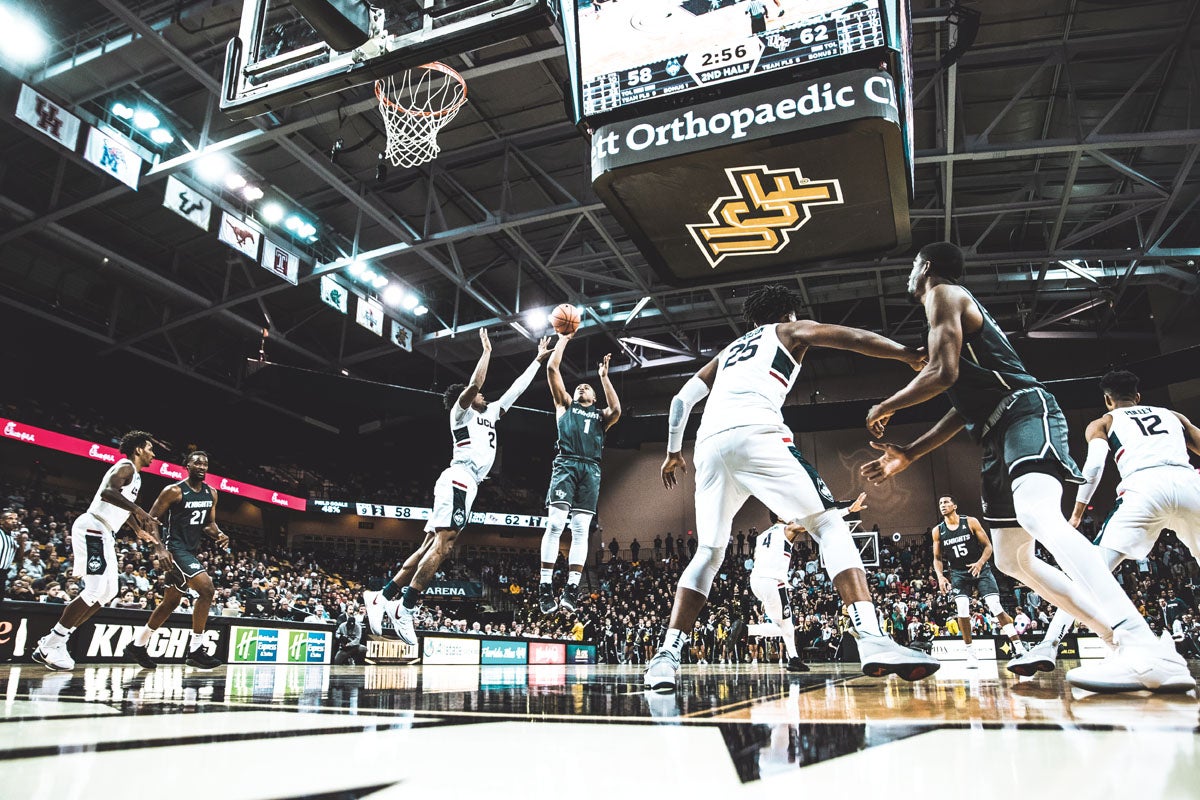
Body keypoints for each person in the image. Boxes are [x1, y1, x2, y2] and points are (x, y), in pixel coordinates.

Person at [860, 241, 1194, 693]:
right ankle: (1122, 642)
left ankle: (1141, 644)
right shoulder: (949, 315)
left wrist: (886, 403)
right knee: (1012, 558)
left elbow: (941, 372)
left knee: (1039, 515)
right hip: (997, 430)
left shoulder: (944, 293)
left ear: (927, 267)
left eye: (913, 264)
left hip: (1024, 411)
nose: (909, 271)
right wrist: (911, 453)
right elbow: (963, 408)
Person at [644, 284, 939, 691]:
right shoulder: (786, 331)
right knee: (830, 524)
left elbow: (680, 400)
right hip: (756, 434)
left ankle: (665, 657)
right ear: (789, 314)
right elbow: (850, 338)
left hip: (708, 447)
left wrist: (673, 451)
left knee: (709, 552)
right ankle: (871, 637)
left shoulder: (728, 352)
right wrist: (905, 354)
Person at [1010, 369, 1200, 675]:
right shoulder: (1173, 416)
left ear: (1108, 400)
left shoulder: (1105, 421)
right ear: (1138, 396)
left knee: (1089, 573)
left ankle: (1049, 644)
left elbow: (1094, 465)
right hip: (1189, 481)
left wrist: (1077, 512)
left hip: (1143, 488)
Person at [368, 330, 552, 644]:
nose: (485, 395)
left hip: (467, 484)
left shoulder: (490, 414)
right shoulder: (460, 412)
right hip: (459, 479)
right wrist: (486, 353)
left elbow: (515, 390)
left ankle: (383, 596)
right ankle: (406, 608)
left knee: (429, 547)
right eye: (479, 394)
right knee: (444, 546)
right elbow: (474, 386)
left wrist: (537, 359)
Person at [33, 431, 160, 670]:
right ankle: (53, 642)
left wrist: (136, 529)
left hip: (106, 532)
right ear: (138, 450)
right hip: (93, 527)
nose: (153, 454)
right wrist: (140, 512)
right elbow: (108, 493)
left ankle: (54, 641)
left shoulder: (137, 478)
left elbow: (120, 504)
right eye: (150, 448)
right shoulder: (125, 467)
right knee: (94, 590)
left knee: (107, 592)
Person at [538, 333, 622, 614]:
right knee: (555, 523)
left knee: (581, 529)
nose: (581, 388)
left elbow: (617, 410)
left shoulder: (601, 416)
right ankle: (545, 585)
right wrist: (563, 338)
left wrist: (604, 377)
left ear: (594, 396)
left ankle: (572, 588)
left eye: (587, 387)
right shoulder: (564, 405)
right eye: (579, 387)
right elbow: (552, 368)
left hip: (591, 469)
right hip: (566, 463)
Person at [126, 451, 228, 670]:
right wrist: (159, 549)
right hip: (174, 549)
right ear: (187, 466)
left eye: (205, 463)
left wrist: (219, 534)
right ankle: (195, 650)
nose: (202, 466)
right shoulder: (173, 491)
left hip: (190, 550)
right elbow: (151, 520)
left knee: (170, 603)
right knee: (207, 590)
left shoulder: (211, 493)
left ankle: (138, 644)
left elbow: (209, 523)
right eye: (197, 462)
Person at [750, 493, 869, 673]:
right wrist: (848, 510)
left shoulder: (761, 537)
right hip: (773, 581)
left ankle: (791, 657)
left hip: (756, 581)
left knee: (784, 625)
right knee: (785, 625)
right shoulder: (787, 528)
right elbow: (816, 523)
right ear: (780, 516)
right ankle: (752, 633)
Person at [932, 495, 1027, 668]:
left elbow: (988, 547)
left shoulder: (970, 522)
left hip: (980, 569)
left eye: (946, 502)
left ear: (954, 505)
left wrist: (980, 563)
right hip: (959, 573)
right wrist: (940, 575)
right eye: (940, 503)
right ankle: (971, 654)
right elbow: (937, 558)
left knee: (995, 605)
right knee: (961, 609)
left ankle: (1019, 647)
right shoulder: (938, 531)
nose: (942, 505)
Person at [0, 509, 20, 605]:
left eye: (16, 519)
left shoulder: (14, 537)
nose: (14, 521)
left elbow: (19, 558)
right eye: (10, 518)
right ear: (1, 521)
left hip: (3, 573)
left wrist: (22, 542)